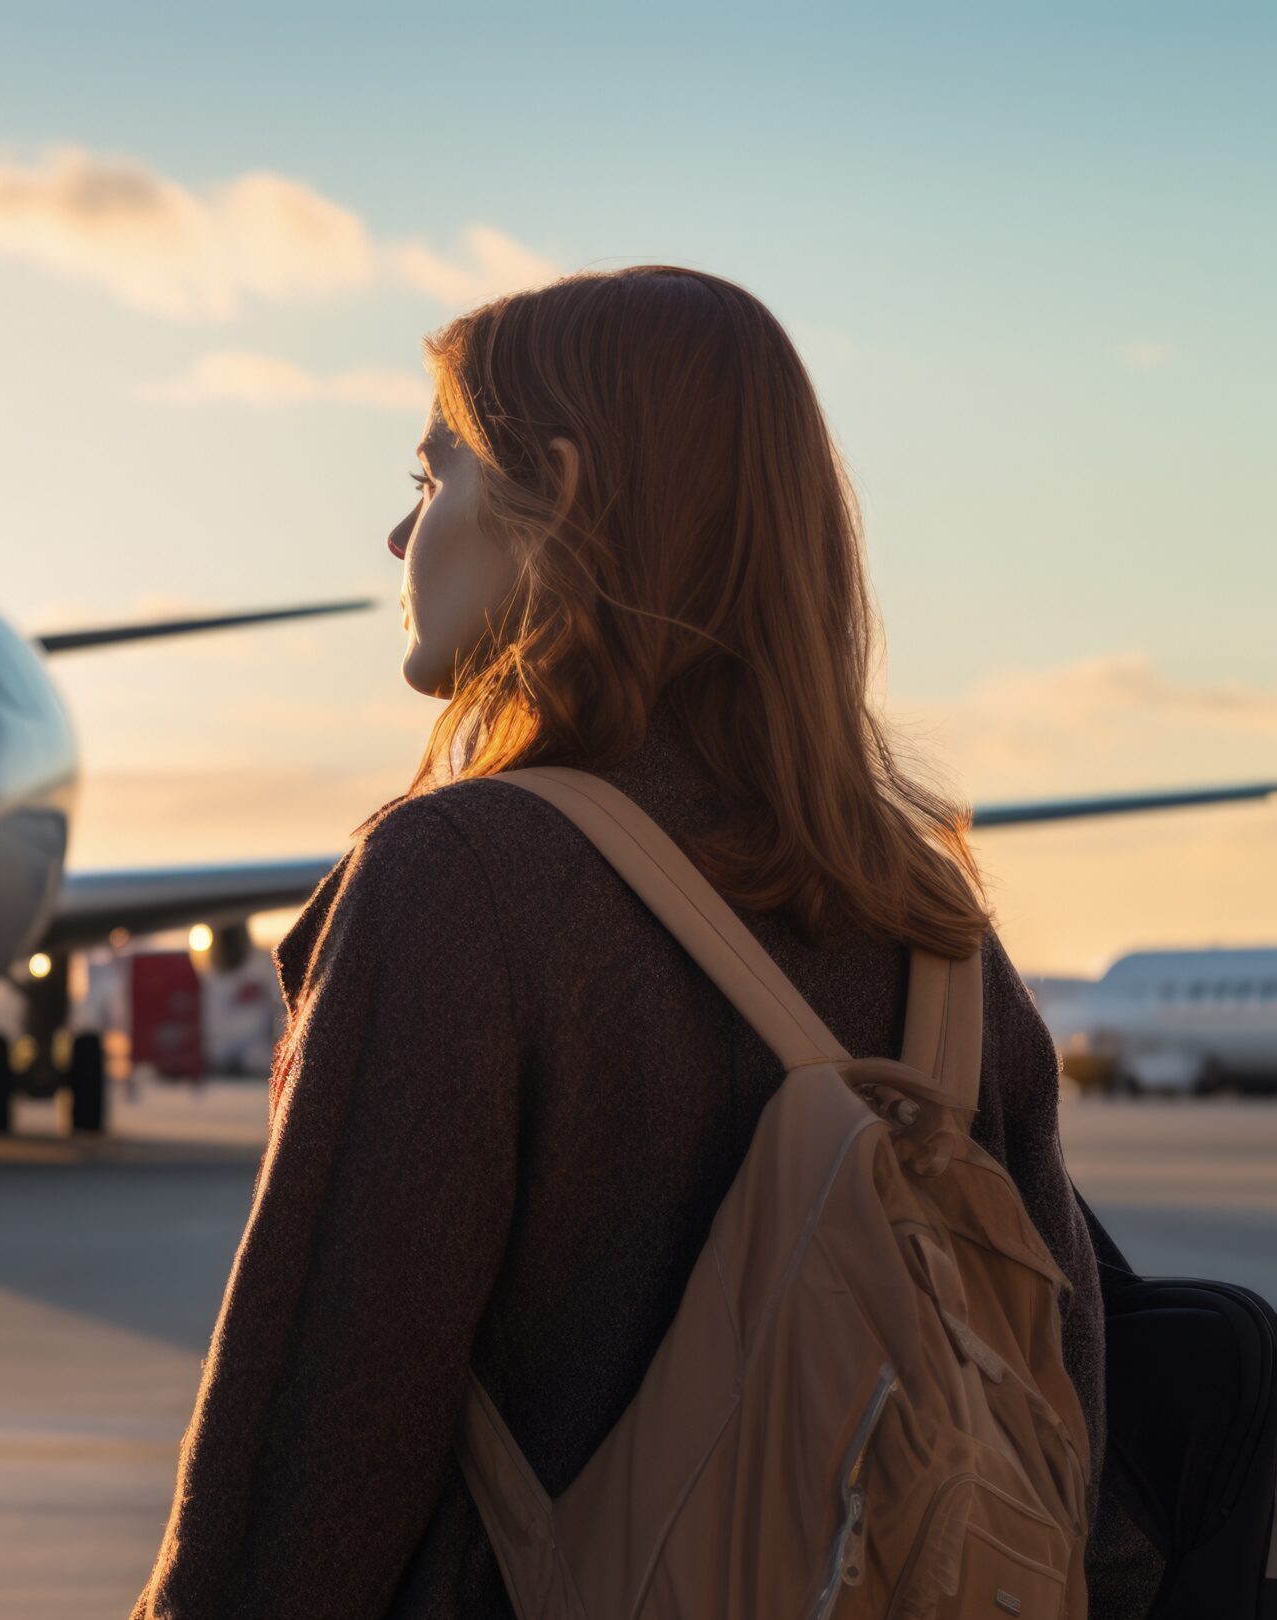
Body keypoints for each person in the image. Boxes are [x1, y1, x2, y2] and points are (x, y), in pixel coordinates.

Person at [131, 266, 1161, 1617]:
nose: (397, 534)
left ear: (555, 497)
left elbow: (306, 1479)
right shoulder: (938, 938)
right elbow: (1063, 1425)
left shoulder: (461, 883)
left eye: (432, 474)